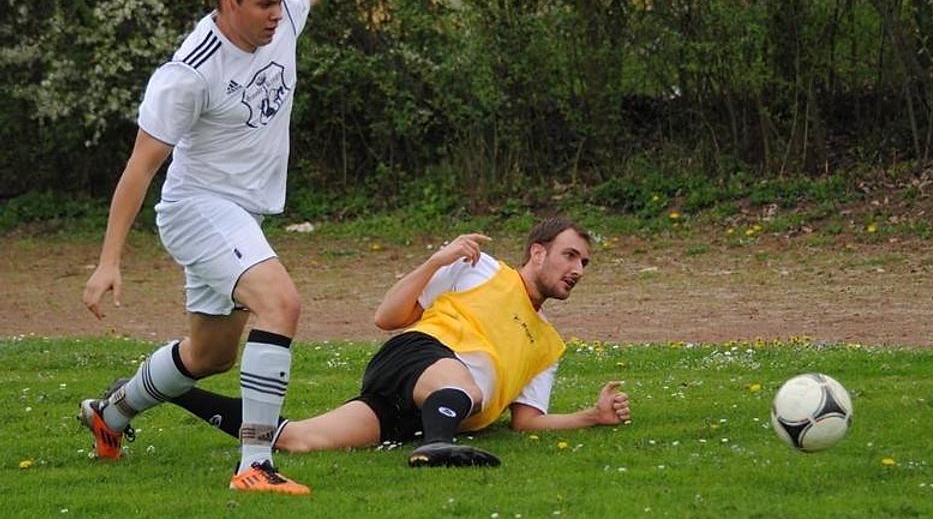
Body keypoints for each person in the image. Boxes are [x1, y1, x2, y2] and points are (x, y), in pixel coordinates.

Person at [79, 0, 344, 495]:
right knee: (281, 305)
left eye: (278, 1)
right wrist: (109, 260)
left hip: (241, 215)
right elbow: (140, 167)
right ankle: (255, 465)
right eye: (263, 4)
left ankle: (110, 414)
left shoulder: (286, 15)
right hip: (198, 210)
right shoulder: (190, 73)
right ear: (229, 3)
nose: (276, 13)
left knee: (209, 355)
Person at [166, 217, 631, 467]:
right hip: (416, 357)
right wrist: (435, 262)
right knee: (466, 389)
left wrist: (592, 417)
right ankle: (437, 447)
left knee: (299, 440)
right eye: (570, 255)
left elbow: (526, 423)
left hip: (421, 407)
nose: (577, 269)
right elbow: (386, 317)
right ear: (538, 252)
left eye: (585, 263)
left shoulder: (549, 345)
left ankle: (169, 388)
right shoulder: (482, 268)